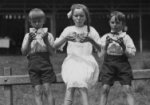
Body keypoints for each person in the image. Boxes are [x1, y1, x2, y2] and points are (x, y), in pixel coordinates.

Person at [54, 4, 101, 105]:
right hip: (72, 60)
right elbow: (55, 46)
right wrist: (65, 38)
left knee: (81, 81)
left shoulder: (91, 30)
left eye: (81, 16)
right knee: (72, 81)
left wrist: (91, 41)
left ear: (86, 17)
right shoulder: (68, 30)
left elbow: (101, 48)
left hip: (87, 61)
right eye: (76, 16)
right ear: (72, 16)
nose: (78, 18)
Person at [99, 11, 136, 105]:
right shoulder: (105, 37)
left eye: (118, 22)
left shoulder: (126, 37)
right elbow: (100, 55)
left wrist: (124, 47)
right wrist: (106, 46)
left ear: (122, 24)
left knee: (127, 89)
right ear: (109, 23)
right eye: (112, 22)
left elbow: (132, 54)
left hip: (123, 64)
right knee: (104, 89)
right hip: (108, 65)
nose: (115, 25)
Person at [21, 8, 56, 105]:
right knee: (37, 91)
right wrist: (29, 41)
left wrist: (46, 41)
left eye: (39, 21)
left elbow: (53, 53)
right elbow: (24, 52)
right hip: (33, 66)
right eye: (34, 21)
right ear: (30, 22)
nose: (37, 24)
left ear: (44, 21)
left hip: (46, 65)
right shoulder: (27, 36)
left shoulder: (49, 35)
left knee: (47, 90)